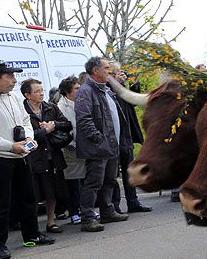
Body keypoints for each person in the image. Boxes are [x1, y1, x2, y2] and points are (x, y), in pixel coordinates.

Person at [0, 60, 55, 259]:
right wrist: (11, 146)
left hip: (21, 156)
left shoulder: (15, 97)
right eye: (10, 76)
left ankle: (31, 235)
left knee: (28, 198)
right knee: (0, 203)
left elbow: (25, 120)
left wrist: (28, 138)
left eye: (14, 76)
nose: (14, 80)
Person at [74, 57, 128, 232]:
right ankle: (88, 218)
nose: (110, 71)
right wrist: (99, 139)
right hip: (98, 147)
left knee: (109, 180)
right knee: (93, 182)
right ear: (95, 71)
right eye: (106, 68)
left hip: (111, 146)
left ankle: (107, 211)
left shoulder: (106, 90)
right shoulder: (85, 91)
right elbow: (84, 119)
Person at [21, 78, 72, 234]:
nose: (42, 93)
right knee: (33, 193)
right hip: (33, 158)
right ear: (27, 95)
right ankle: (32, 227)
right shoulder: (21, 111)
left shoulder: (50, 107)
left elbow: (67, 124)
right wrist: (45, 131)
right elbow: (22, 134)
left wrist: (54, 125)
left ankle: (51, 222)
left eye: (42, 90)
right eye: (37, 91)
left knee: (52, 191)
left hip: (52, 156)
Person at [109, 62, 150, 214]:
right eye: (116, 72)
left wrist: (133, 79)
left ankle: (133, 202)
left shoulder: (121, 87)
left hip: (126, 134)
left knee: (129, 170)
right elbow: (111, 104)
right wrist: (116, 84)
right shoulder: (105, 88)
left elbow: (134, 99)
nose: (119, 74)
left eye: (120, 72)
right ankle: (114, 205)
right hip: (114, 136)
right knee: (113, 174)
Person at [57, 76, 86, 225]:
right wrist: (73, 145)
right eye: (76, 88)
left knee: (84, 182)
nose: (80, 90)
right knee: (73, 183)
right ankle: (74, 212)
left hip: (84, 148)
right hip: (70, 149)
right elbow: (65, 130)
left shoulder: (80, 102)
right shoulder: (61, 107)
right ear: (68, 91)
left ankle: (85, 208)